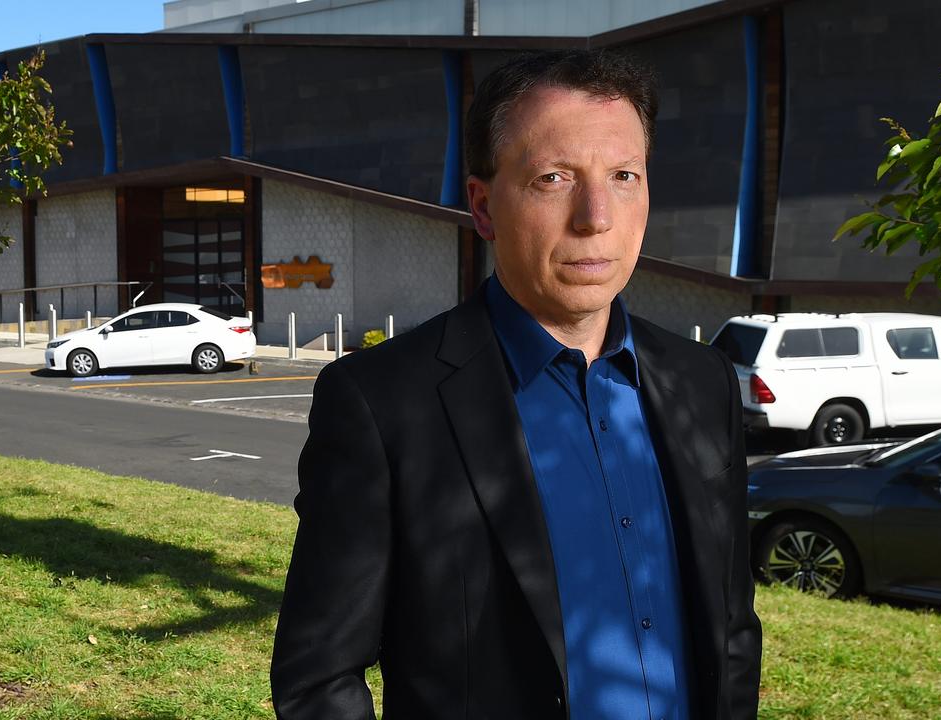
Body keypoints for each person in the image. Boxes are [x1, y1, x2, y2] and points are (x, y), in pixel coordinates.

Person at [270, 48, 761, 720]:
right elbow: (318, 677)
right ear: (483, 206)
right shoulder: (382, 403)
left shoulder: (702, 382)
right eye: (554, 178)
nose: (596, 216)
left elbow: (731, 629)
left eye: (623, 175)